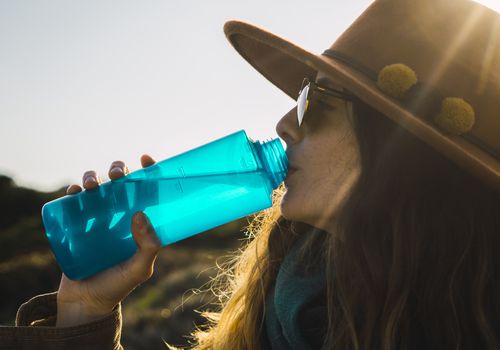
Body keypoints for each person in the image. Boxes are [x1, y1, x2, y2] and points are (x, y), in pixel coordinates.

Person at [2, 0, 500, 348]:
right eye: (299, 96)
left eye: (316, 104)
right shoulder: (285, 295)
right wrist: (84, 312)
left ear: (401, 149)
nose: (285, 122)